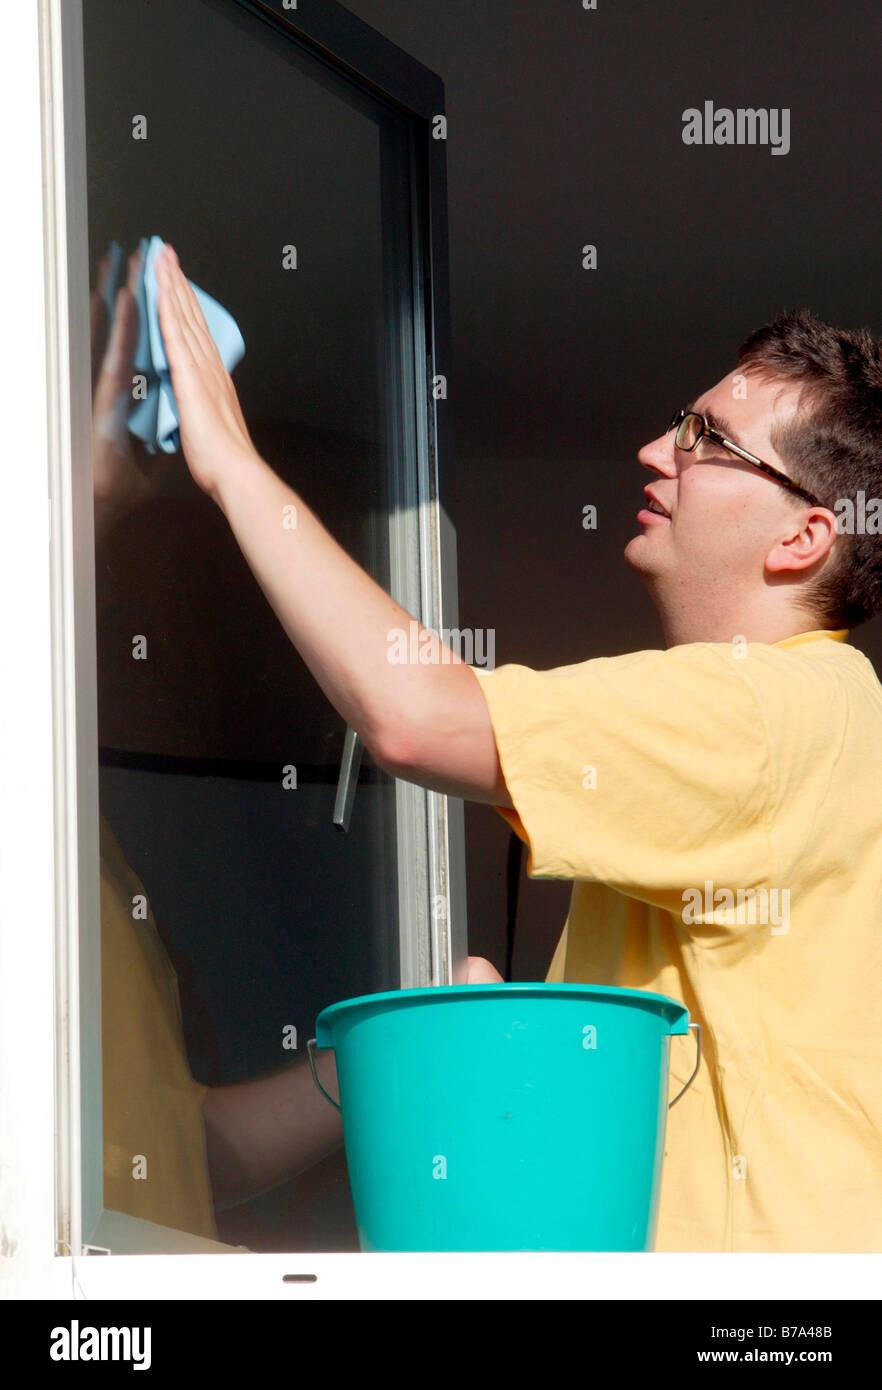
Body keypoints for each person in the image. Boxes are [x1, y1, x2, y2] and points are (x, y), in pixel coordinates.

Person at [153, 242, 882, 1253]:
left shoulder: (771, 709)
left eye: (707, 440)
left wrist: (232, 465)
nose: (655, 450)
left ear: (802, 538)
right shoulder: (806, 728)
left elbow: (417, 714)